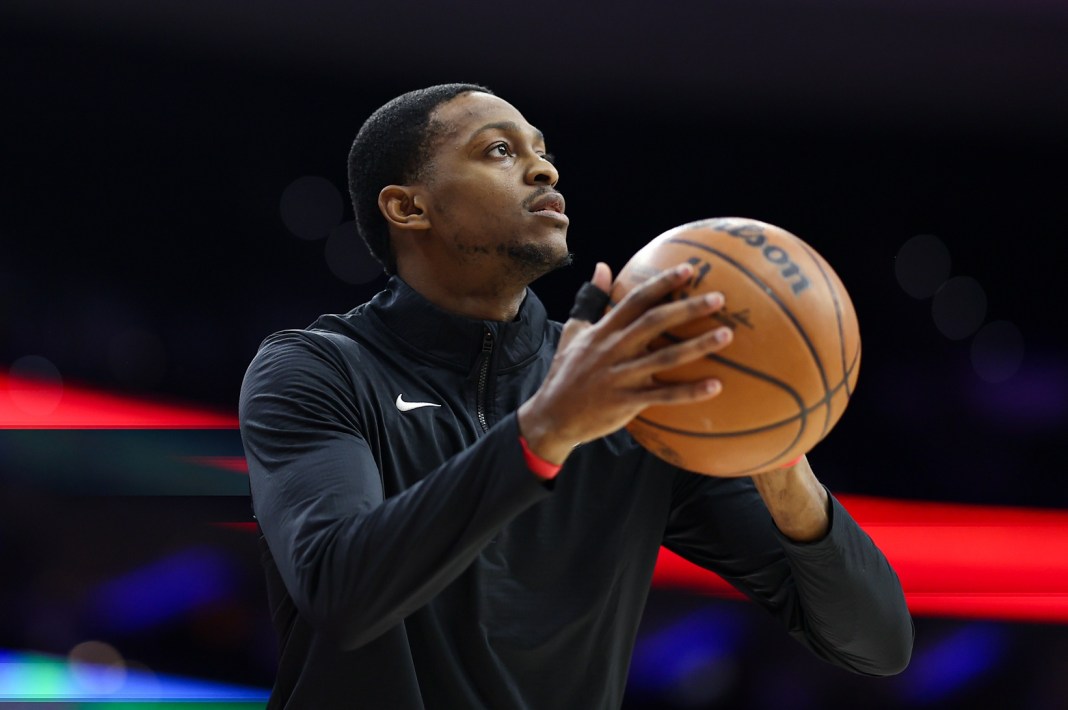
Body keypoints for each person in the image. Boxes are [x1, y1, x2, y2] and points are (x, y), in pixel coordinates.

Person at [239, 83, 914, 709]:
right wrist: (547, 429)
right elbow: (340, 591)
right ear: (408, 207)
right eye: (499, 150)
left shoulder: (636, 398)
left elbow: (877, 644)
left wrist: (778, 452)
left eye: (543, 152)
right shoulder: (317, 369)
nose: (544, 170)